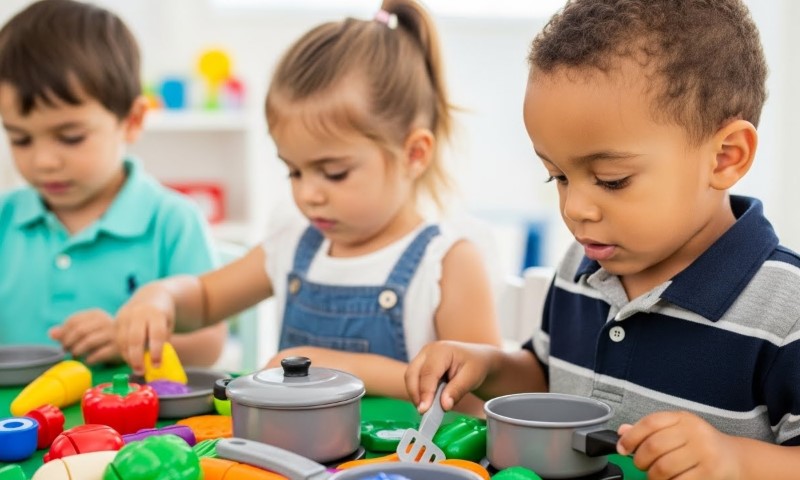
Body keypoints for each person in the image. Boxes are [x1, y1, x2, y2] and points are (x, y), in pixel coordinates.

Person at [406, 0, 800, 478]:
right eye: (558, 176)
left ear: (724, 158)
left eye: (612, 180)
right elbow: (549, 377)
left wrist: (736, 460)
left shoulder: (786, 309)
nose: (575, 209)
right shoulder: (582, 265)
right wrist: (487, 365)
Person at [114, 0, 501, 410]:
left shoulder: (447, 263)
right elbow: (206, 300)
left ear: (414, 154)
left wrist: (330, 366)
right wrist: (163, 297)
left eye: (333, 173)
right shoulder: (295, 242)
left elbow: (477, 400)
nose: (308, 194)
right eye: (294, 172)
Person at [0, 0, 227, 366]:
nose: (43, 161)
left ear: (133, 121)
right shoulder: (5, 218)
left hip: (134, 422)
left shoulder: (170, 221)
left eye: (71, 137)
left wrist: (130, 342)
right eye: (20, 139)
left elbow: (209, 344)